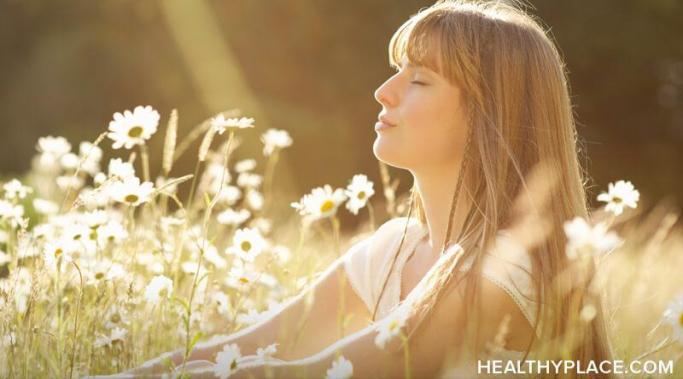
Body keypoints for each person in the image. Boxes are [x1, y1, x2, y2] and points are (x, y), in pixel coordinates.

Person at [101, 0, 615, 377]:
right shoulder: (396, 249)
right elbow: (249, 345)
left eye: (419, 80)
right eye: (398, 71)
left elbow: (314, 372)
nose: (383, 92)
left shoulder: (503, 271)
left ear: (488, 114)